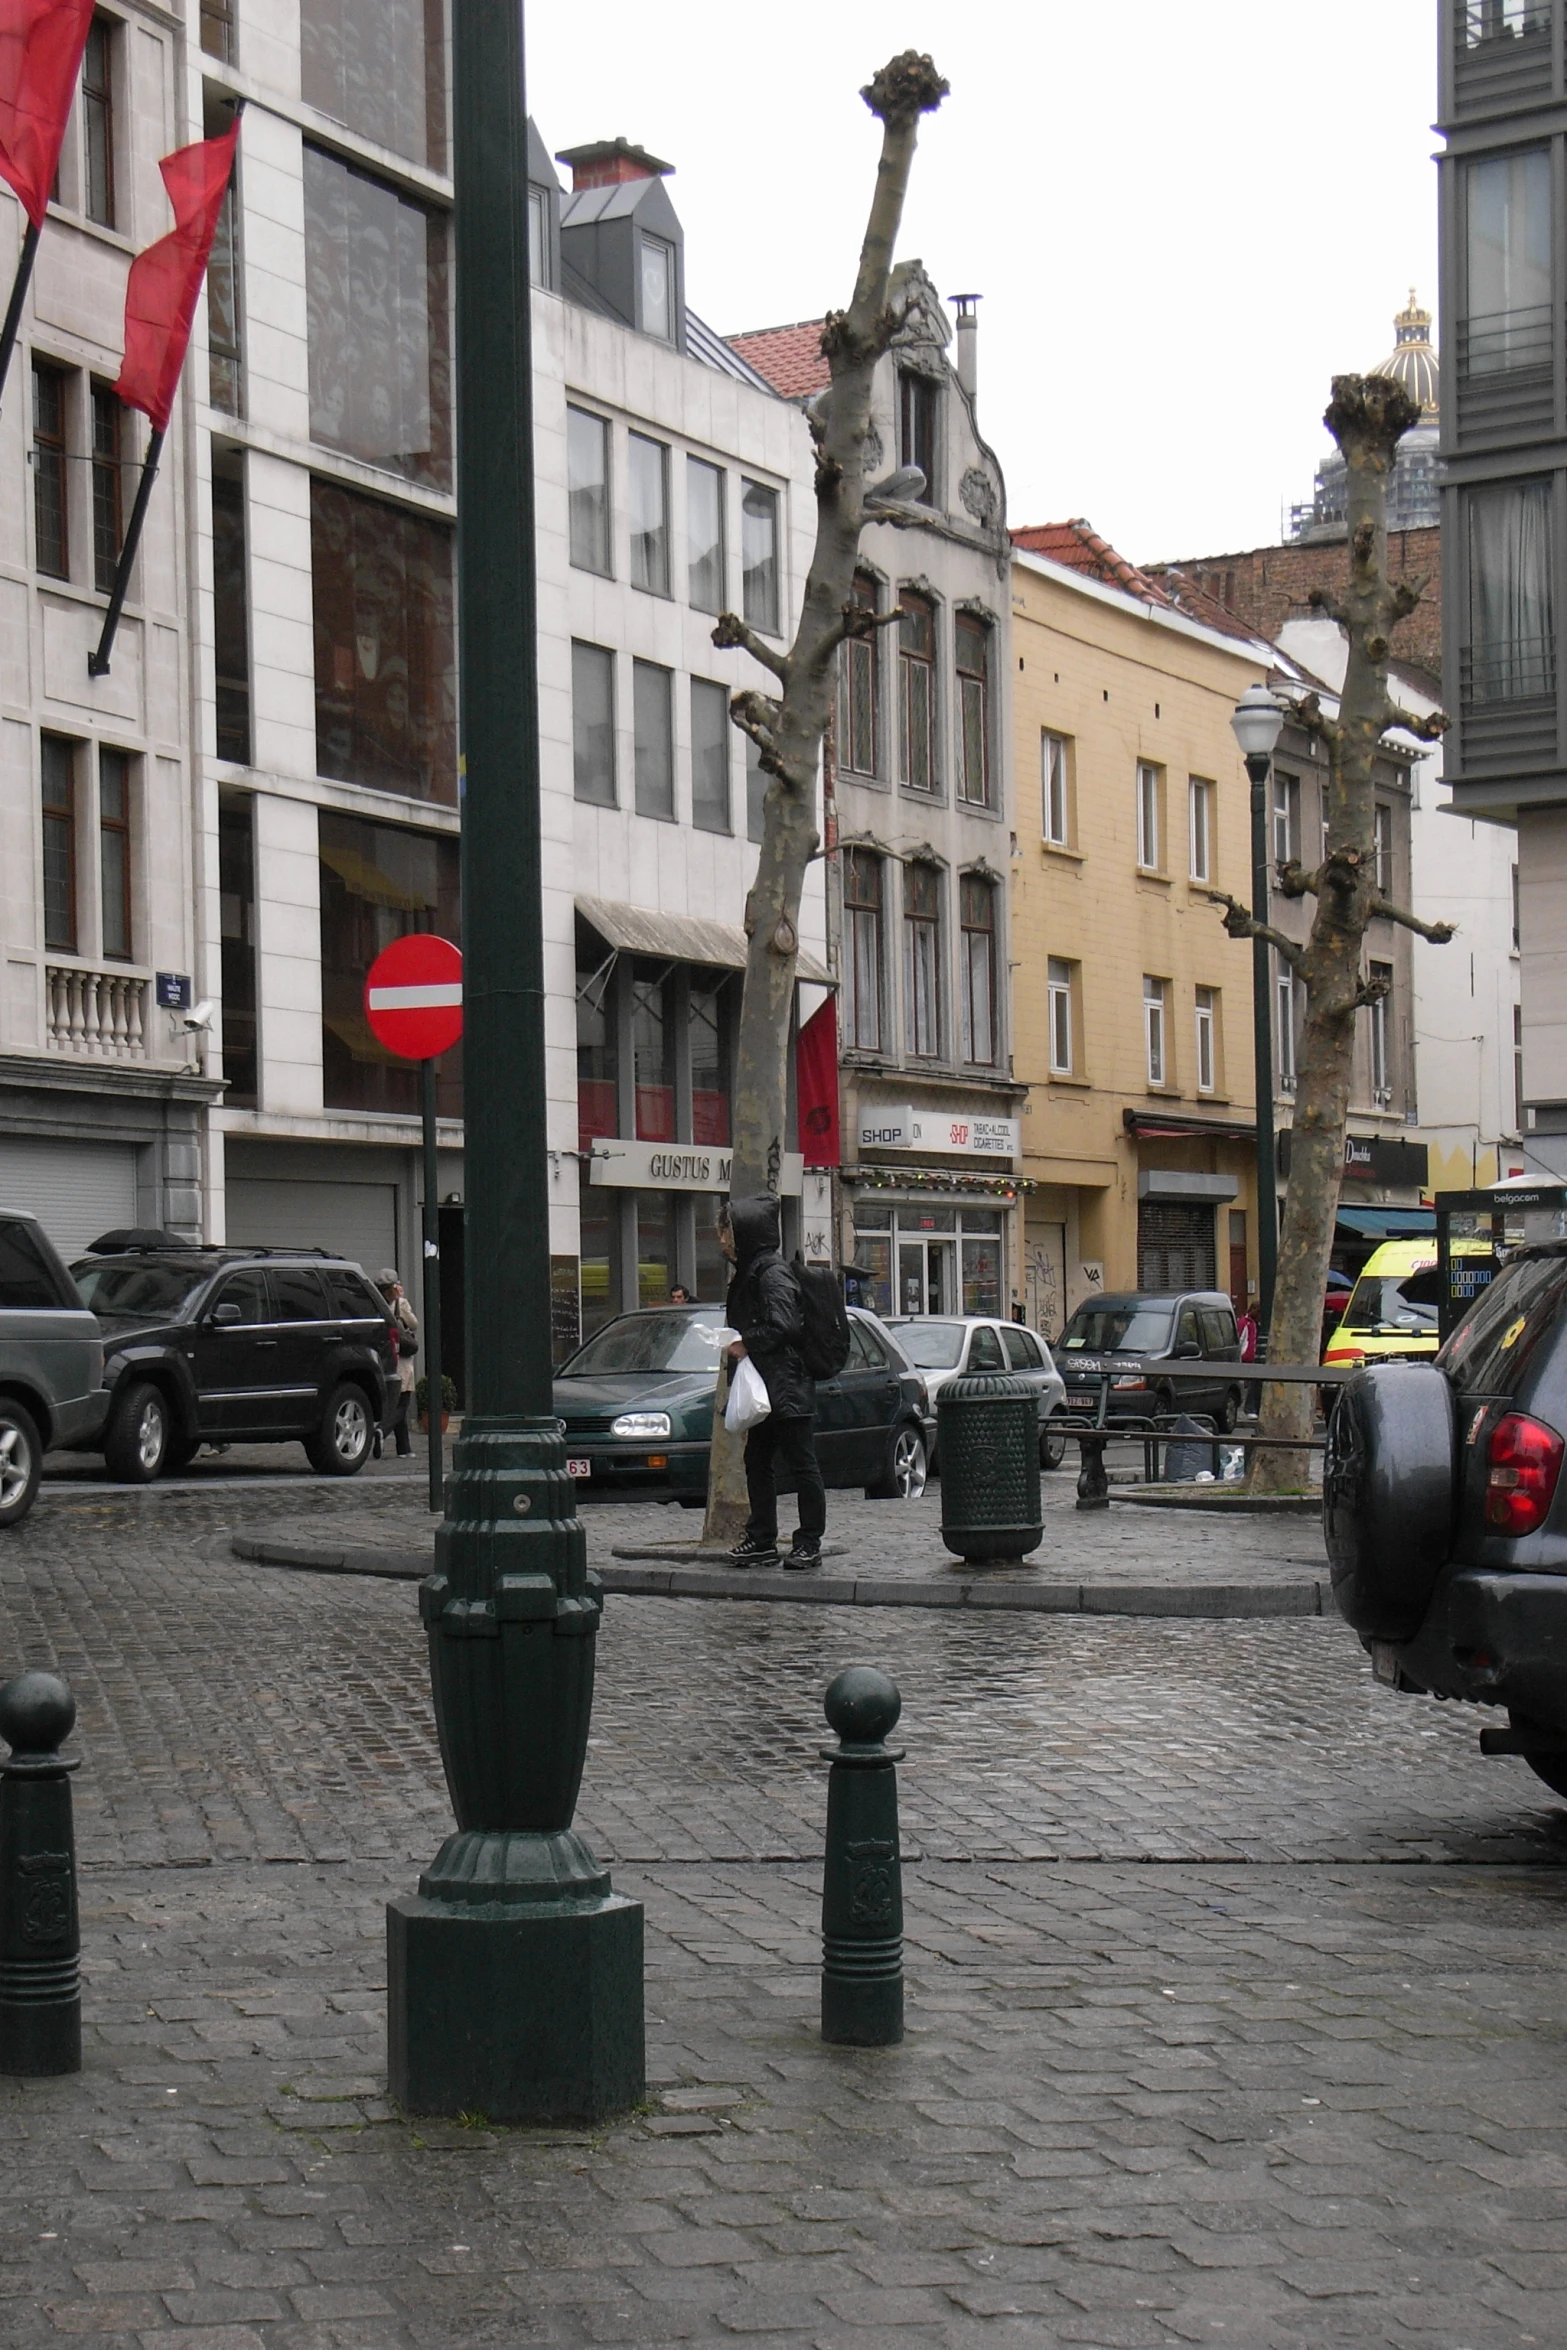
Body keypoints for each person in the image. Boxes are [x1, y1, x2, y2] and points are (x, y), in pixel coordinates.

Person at [718, 1194, 824, 1570]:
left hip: (786, 1384)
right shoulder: (751, 1271)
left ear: (745, 1233)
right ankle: (762, 1539)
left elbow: (785, 1325)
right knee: (757, 1461)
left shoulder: (771, 1272)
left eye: (728, 1232)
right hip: (766, 1385)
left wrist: (745, 1343)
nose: (723, 1241)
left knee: (801, 1464)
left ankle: (809, 1542)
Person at [376, 1268, 419, 1458]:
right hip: (402, 1359)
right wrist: (403, 1307)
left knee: (396, 1400)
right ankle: (381, 1432)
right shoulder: (400, 1304)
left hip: (386, 1358)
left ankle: (404, 1448)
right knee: (402, 1403)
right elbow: (414, 1324)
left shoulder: (376, 1305)